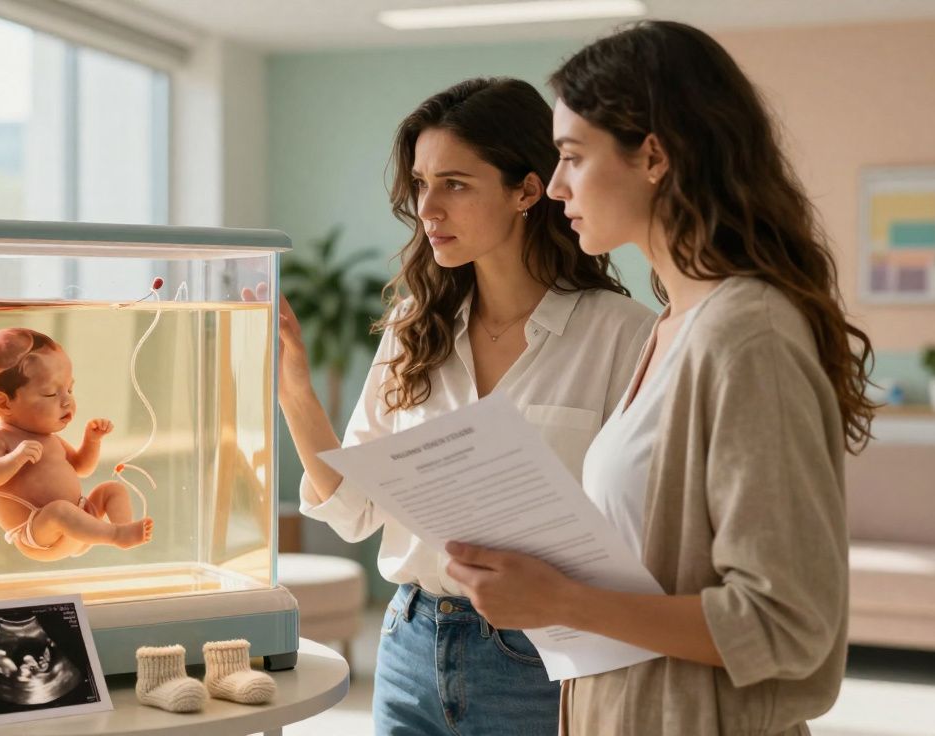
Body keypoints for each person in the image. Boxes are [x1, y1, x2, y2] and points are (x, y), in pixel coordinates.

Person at [443, 22, 875, 735]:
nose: (553, 188)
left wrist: (562, 601)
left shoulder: (749, 335)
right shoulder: (672, 324)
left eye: (573, 158)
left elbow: (787, 624)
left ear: (654, 156)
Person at [279, 77, 655, 735]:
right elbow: (353, 510)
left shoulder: (623, 334)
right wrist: (294, 391)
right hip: (409, 644)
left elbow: (649, 528)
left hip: (545, 658)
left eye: (454, 183)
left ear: (527, 190)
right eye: (421, 184)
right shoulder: (411, 325)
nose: (428, 208)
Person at [0, 327, 153, 559]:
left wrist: (92, 441)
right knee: (58, 510)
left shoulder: (51, 440)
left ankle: (123, 529)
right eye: (51, 394)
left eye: (70, 389)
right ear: (3, 404)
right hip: (40, 533)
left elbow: (83, 468)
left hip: (80, 519)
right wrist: (16, 457)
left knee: (112, 490)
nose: (67, 401)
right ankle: (115, 535)